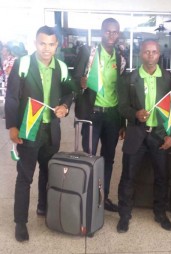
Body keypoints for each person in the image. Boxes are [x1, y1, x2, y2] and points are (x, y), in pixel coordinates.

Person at [5, 25, 73, 242]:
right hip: (29, 129)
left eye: (51, 44)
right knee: (25, 177)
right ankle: (20, 222)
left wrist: (65, 105)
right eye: (42, 43)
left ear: (57, 46)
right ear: (35, 43)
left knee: (48, 172)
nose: (46, 48)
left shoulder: (61, 67)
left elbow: (70, 91)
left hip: (51, 130)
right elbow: (12, 98)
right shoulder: (23, 64)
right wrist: (12, 126)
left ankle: (43, 207)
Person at [116, 39, 171, 233]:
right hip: (137, 133)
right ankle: (124, 215)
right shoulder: (130, 79)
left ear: (159, 54)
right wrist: (134, 114)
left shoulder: (168, 78)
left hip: (160, 135)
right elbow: (122, 107)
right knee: (128, 176)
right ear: (140, 54)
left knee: (162, 176)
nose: (150, 55)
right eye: (146, 52)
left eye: (154, 52)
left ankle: (160, 213)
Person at [73, 18, 127, 212]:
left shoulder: (121, 57)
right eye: (108, 31)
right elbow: (74, 79)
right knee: (89, 157)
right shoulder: (89, 53)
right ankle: (87, 198)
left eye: (115, 32)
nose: (111, 35)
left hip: (112, 115)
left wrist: (122, 121)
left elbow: (121, 91)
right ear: (101, 32)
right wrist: (80, 83)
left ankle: (102, 198)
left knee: (108, 158)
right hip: (92, 115)